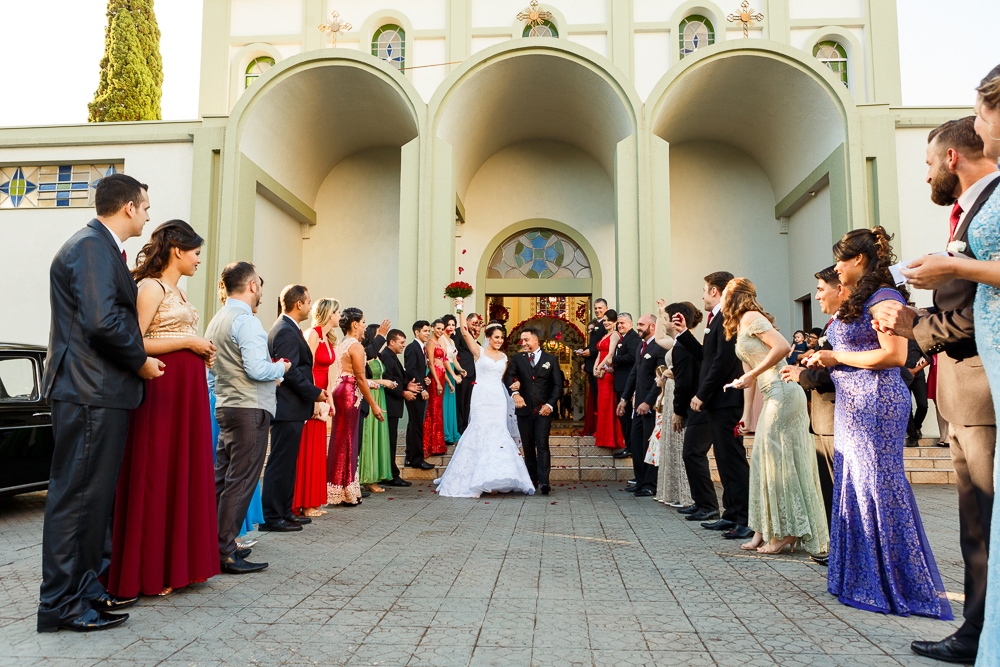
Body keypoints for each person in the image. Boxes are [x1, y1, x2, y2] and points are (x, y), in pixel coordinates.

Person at [873, 110, 1000, 663]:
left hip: (977, 384)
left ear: (951, 157)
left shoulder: (987, 210)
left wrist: (917, 328)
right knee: (974, 523)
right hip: (958, 385)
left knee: (983, 523)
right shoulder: (967, 212)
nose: (925, 175)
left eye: (927, 162)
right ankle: (977, 632)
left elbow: (975, 316)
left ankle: (977, 635)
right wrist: (916, 320)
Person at [38, 174, 165, 633]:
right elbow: (102, 321)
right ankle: (63, 605)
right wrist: (140, 362)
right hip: (89, 390)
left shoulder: (101, 247)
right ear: (128, 207)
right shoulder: (91, 247)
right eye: (146, 206)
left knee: (94, 501)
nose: (149, 214)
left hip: (97, 390)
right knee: (78, 501)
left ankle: (87, 591)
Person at [808, 226, 952, 620]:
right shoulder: (859, 299)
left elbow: (893, 355)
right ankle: (859, 577)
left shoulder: (884, 297)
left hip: (875, 402)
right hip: (853, 402)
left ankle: (893, 583)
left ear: (857, 260)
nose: (836, 268)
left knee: (877, 485)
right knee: (854, 483)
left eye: (840, 260)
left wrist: (835, 358)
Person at [108, 220, 220, 599]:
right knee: (158, 470)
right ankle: (149, 569)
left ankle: (179, 565)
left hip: (187, 390)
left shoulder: (179, 290)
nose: (199, 260)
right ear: (177, 250)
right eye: (196, 253)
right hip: (163, 388)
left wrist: (199, 350)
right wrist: (190, 340)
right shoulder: (150, 287)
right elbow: (134, 342)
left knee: (183, 471)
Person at [723, 278, 829, 556]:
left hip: (783, 391)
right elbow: (748, 373)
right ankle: (763, 528)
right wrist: (747, 414)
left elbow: (782, 347)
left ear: (734, 297)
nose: (720, 299)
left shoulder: (752, 317)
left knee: (778, 461)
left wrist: (751, 374)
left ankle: (787, 531)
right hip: (770, 393)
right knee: (762, 460)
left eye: (724, 294)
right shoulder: (740, 325)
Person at [205, 262, 288, 575]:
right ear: (252, 285)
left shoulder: (217, 319)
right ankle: (225, 551)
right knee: (240, 482)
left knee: (222, 480)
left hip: (226, 406)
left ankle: (213, 544)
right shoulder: (247, 321)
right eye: (261, 288)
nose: (262, 295)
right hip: (249, 408)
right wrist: (281, 367)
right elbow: (256, 369)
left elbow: (212, 370)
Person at [781, 266, 844, 562]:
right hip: (822, 417)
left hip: (833, 414)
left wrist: (802, 374)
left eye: (821, 289)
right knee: (827, 487)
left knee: (836, 489)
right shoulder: (833, 322)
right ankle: (835, 546)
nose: (817, 295)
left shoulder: (845, 321)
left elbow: (837, 372)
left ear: (839, 289)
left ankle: (839, 550)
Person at [436, 314, 536, 497]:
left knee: (498, 432)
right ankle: (476, 478)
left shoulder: (505, 357)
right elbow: (465, 333)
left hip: (498, 398)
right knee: (480, 430)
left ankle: (496, 477)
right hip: (481, 396)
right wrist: (460, 310)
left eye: (501, 338)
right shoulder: (478, 352)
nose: (499, 340)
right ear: (488, 337)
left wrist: (516, 385)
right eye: (496, 337)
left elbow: (505, 378)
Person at [692, 271, 750, 539]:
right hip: (718, 400)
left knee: (733, 460)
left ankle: (745, 517)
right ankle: (731, 513)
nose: (702, 295)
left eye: (704, 290)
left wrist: (702, 394)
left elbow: (721, 362)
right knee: (724, 460)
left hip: (726, 399)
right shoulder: (716, 319)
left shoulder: (727, 319)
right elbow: (707, 357)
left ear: (715, 291)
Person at [262, 285, 325, 532]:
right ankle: (272, 516)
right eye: (309, 302)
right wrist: (315, 392)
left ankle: (285, 512)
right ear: (298, 304)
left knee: (289, 463)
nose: (310, 306)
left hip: (293, 408)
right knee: (280, 462)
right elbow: (290, 371)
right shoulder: (285, 330)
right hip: (286, 407)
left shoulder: (290, 328)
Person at [327, 308, 386, 506]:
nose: (364, 327)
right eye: (362, 323)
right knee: (349, 441)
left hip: (341, 390)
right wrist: (374, 405)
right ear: (354, 324)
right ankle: (346, 491)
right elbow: (360, 378)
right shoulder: (356, 346)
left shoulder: (343, 344)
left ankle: (341, 487)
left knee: (341, 440)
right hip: (350, 394)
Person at [292, 298, 339, 518]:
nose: (340, 316)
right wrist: (313, 398)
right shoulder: (312, 334)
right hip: (311, 396)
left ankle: (312, 500)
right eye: (338, 312)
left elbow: (327, 374)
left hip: (321, 396)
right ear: (330, 314)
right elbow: (305, 367)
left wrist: (329, 401)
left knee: (318, 450)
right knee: (306, 449)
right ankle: (303, 503)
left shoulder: (328, 338)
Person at [504, 327, 564, 494]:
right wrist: (515, 393)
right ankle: (532, 479)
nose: (523, 343)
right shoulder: (517, 358)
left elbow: (557, 386)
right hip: (523, 410)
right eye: (521, 341)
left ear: (535, 340)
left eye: (526, 340)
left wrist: (550, 405)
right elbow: (509, 376)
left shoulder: (551, 359)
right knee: (528, 446)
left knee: (542, 445)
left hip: (543, 410)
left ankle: (544, 482)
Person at [618, 314, 670, 497]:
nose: (638, 327)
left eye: (641, 325)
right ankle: (640, 480)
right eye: (638, 324)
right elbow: (634, 374)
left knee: (650, 444)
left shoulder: (660, 348)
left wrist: (648, 402)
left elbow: (661, 379)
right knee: (637, 443)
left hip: (651, 404)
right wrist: (624, 399)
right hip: (637, 404)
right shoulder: (642, 345)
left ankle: (650, 483)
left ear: (653, 327)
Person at [652, 302, 693, 508]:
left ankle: (685, 493)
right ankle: (672, 491)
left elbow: (686, 370)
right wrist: (660, 314)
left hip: (678, 390)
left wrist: (669, 372)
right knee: (669, 441)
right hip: (669, 393)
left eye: (667, 318)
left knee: (679, 443)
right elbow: (659, 339)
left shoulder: (685, 343)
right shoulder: (674, 342)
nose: (665, 322)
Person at [358, 323, 395, 493]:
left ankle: (377, 475)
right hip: (371, 394)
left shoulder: (377, 356)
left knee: (378, 436)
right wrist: (382, 382)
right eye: (378, 336)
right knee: (369, 436)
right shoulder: (365, 355)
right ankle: (367, 478)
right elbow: (362, 378)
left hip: (380, 396)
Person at [380, 329, 415, 487]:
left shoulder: (391, 355)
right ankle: (392, 475)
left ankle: (389, 473)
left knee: (391, 441)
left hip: (393, 405)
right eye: (401, 342)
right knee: (390, 441)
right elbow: (387, 381)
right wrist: (402, 392)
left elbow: (397, 377)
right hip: (389, 404)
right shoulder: (386, 356)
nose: (404, 345)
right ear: (391, 342)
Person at [575, 298, 608, 435]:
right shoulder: (596, 324)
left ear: (606, 308)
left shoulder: (604, 325)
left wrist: (591, 352)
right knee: (595, 399)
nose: (597, 310)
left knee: (600, 399)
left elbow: (602, 345)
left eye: (600, 308)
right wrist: (584, 351)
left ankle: (601, 429)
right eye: (595, 308)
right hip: (591, 366)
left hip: (598, 366)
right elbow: (594, 344)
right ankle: (597, 427)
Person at [593, 309, 624, 451]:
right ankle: (602, 435)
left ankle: (609, 438)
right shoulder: (605, 335)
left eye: (609, 320)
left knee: (608, 404)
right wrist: (595, 367)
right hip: (601, 372)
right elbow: (599, 353)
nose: (606, 322)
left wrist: (600, 367)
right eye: (604, 320)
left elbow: (611, 354)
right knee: (602, 404)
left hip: (608, 373)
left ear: (615, 322)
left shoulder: (615, 335)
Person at [404, 321, 433, 471]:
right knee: (416, 426)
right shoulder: (412, 347)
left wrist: (425, 378)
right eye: (425, 331)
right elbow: (411, 370)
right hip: (415, 392)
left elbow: (418, 371)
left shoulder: (421, 348)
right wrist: (422, 389)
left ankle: (410, 456)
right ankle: (417, 460)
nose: (428, 333)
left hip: (419, 387)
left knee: (414, 425)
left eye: (428, 331)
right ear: (417, 332)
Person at [612, 312, 640, 458]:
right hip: (621, 383)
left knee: (627, 418)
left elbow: (632, 357)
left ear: (630, 323)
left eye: (623, 323)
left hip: (627, 384)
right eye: (618, 323)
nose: (620, 325)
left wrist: (613, 359)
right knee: (624, 418)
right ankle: (628, 446)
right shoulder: (624, 338)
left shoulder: (633, 338)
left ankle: (630, 448)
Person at [423, 319, 449, 458]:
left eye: (442, 328)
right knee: (433, 409)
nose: (440, 331)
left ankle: (438, 445)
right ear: (433, 328)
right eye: (438, 328)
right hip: (434, 378)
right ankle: (431, 445)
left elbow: (443, 363)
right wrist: (438, 382)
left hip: (441, 375)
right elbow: (431, 364)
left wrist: (448, 382)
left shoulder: (439, 343)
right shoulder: (430, 343)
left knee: (439, 410)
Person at [454, 312, 482, 434]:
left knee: (469, 401)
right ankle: (460, 426)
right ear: (467, 321)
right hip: (462, 372)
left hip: (473, 373)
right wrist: (458, 371)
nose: (474, 326)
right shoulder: (459, 332)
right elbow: (453, 352)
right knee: (460, 400)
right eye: (473, 323)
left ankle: (466, 425)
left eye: (476, 324)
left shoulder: (473, 336)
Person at [440, 314, 464, 445]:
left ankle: (451, 432)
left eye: (453, 325)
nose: (451, 327)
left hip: (452, 373)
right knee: (444, 404)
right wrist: (453, 375)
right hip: (444, 373)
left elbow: (454, 359)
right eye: (448, 324)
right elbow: (444, 360)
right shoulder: (442, 339)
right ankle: (444, 434)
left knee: (450, 404)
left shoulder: (452, 341)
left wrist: (460, 370)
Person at [905, 338, 930, 447]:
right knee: (907, 408)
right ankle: (912, 436)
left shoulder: (916, 337)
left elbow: (928, 357)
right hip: (902, 377)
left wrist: (914, 371)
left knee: (923, 405)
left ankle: (916, 427)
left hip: (918, 376)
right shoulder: (896, 338)